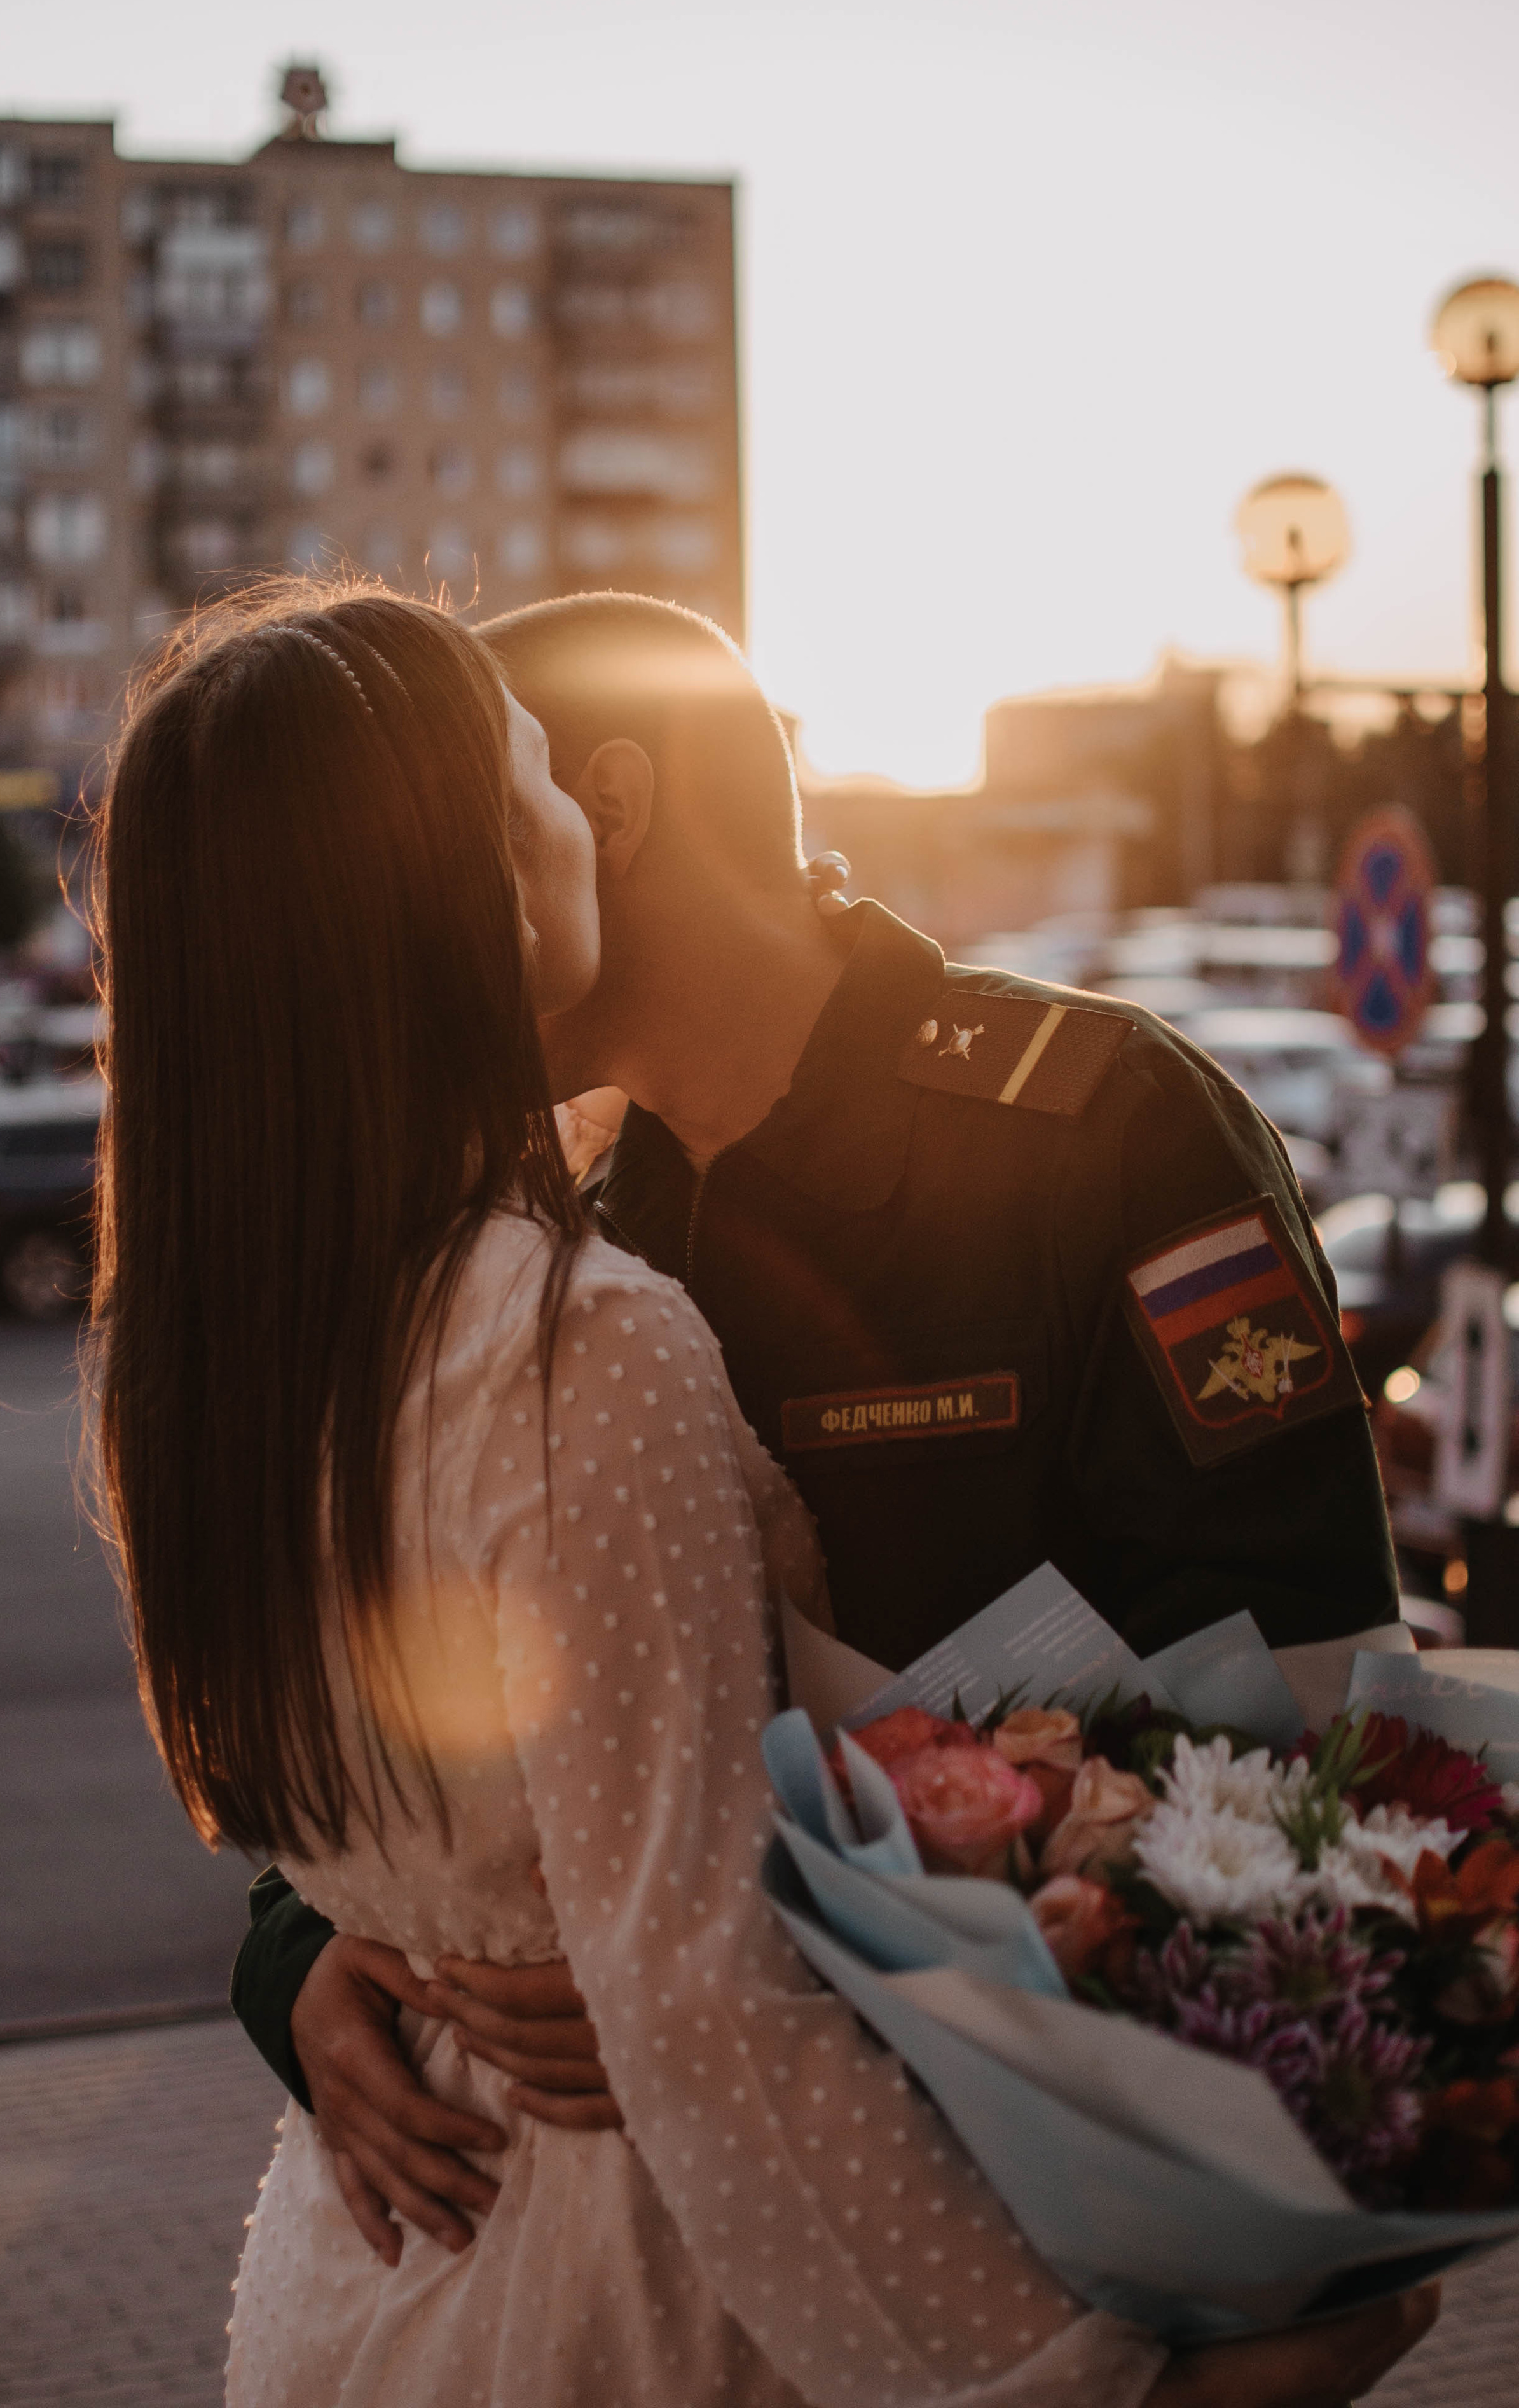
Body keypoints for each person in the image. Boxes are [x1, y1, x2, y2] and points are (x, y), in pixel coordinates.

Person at [95, 581, 1432, 2408]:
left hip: (1044, 2195)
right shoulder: (551, 1255)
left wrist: (770, 1945)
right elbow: (415, 1706)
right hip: (650, 2255)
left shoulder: (1098, 1135)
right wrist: (305, 1961)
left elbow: (1308, 1713)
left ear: (605, 810)